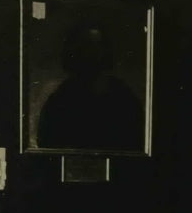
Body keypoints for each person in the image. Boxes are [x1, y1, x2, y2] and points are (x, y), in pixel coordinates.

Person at [37, 21, 144, 152]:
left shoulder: (123, 97)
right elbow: (47, 144)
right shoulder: (60, 98)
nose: (91, 54)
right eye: (84, 48)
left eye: (96, 48)